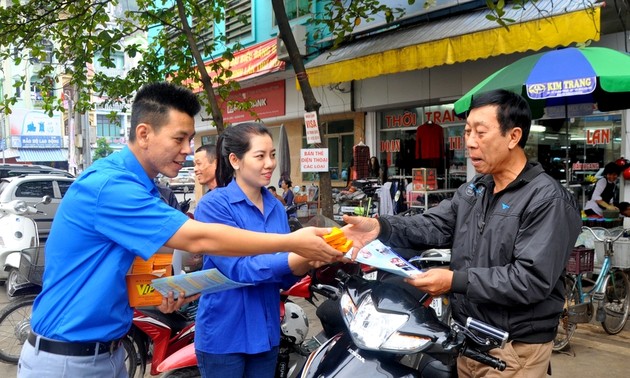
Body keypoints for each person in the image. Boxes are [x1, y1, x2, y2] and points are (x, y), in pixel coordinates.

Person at [18, 82, 341, 378]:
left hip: (110, 353)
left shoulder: (143, 188)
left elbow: (133, 258)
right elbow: (198, 238)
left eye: (190, 139)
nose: (189, 150)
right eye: (179, 139)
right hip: (68, 360)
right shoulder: (111, 186)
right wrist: (291, 243)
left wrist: (165, 288)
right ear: (144, 133)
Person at [342, 89, 581, 377]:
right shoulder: (476, 189)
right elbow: (435, 224)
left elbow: (529, 279)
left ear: (513, 136)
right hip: (469, 341)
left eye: (481, 133)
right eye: (467, 132)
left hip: (514, 351)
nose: (469, 142)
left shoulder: (547, 200)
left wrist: (455, 280)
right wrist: (382, 226)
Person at [193, 122, 314, 378]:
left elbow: (284, 279)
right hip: (225, 334)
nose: (269, 163)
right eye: (260, 156)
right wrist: (296, 254)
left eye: (272, 155)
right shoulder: (213, 206)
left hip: (266, 332)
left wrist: (310, 260)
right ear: (235, 160)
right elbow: (239, 270)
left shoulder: (277, 208)